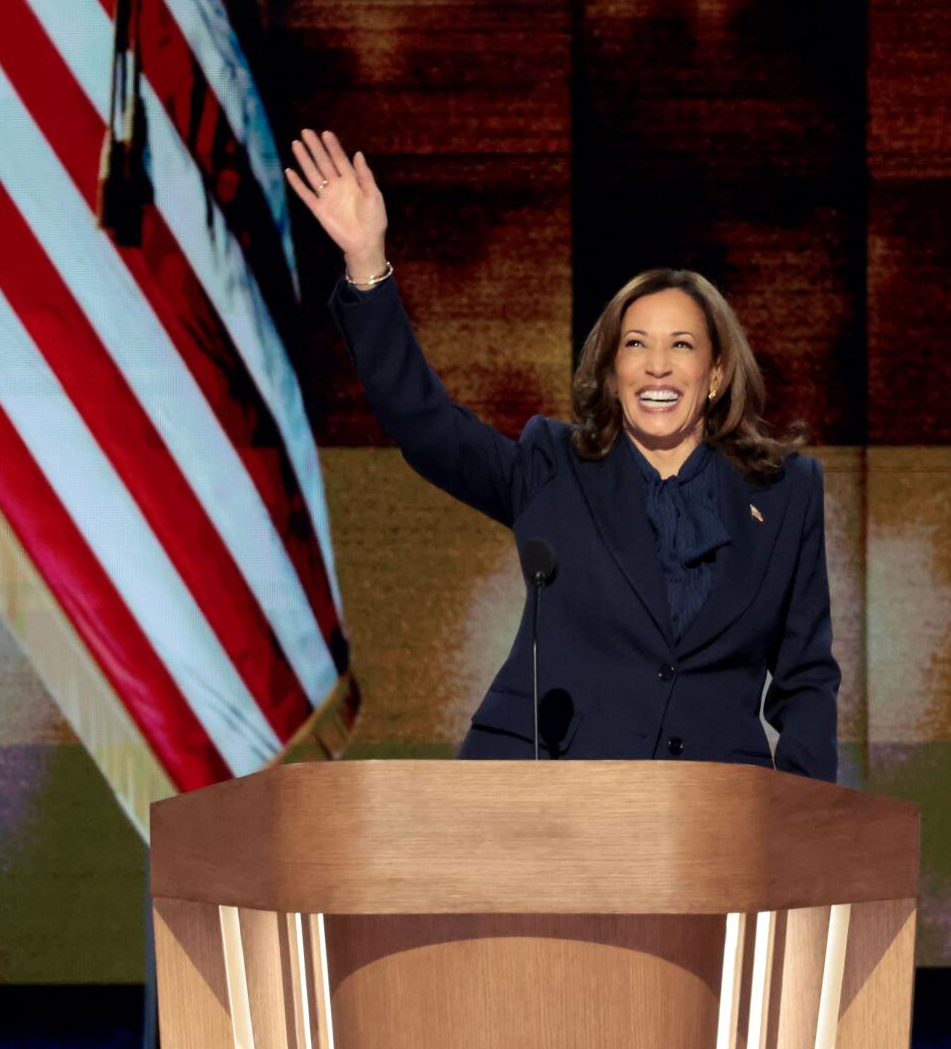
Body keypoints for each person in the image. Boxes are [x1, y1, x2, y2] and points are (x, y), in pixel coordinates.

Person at [286, 129, 839, 781]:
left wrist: (807, 823)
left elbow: (806, 677)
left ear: (716, 374)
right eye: (635, 344)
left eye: (682, 345)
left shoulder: (786, 491)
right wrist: (367, 264)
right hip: (545, 799)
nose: (656, 366)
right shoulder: (554, 465)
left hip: (712, 825)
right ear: (612, 370)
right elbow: (425, 425)